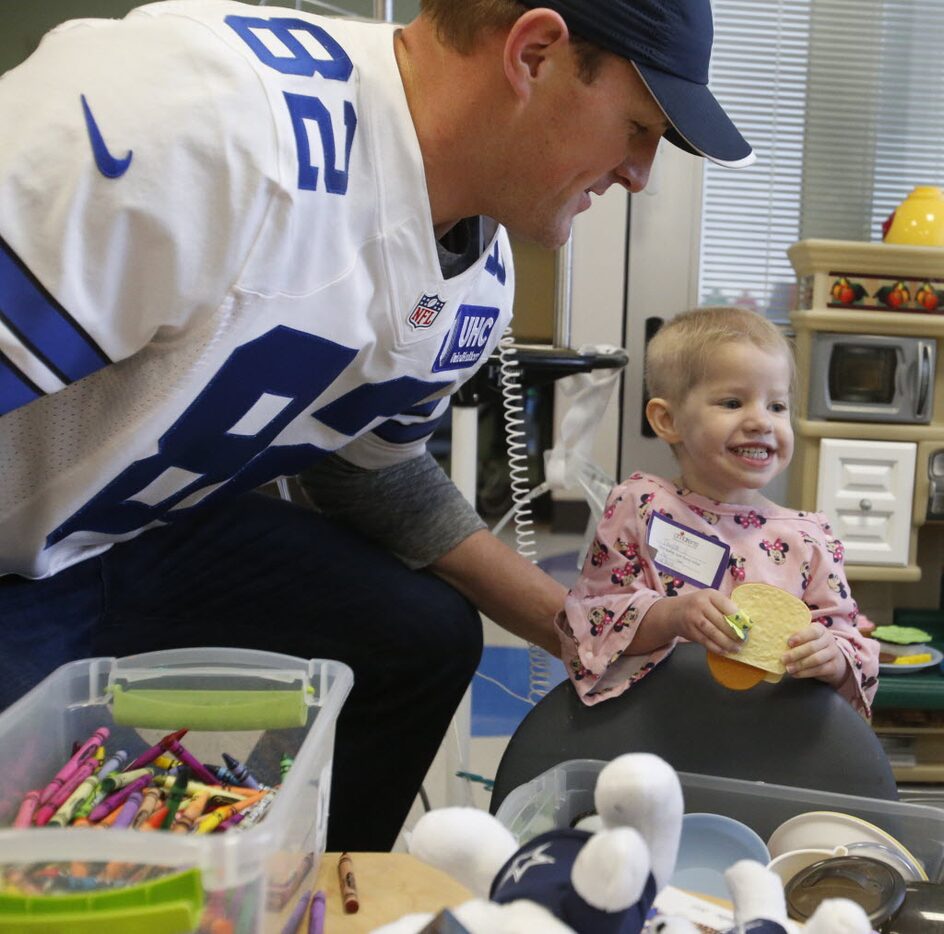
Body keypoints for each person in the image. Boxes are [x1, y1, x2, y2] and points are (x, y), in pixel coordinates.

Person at [0, 0, 753, 849]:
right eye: (639, 128)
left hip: (122, 529)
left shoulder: (482, 271)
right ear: (535, 53)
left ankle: (323, 889)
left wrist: (587, 626)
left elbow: (362, 467)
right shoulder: (189, 122)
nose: (640, 175)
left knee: (417, 634)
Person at [558, 306, 879, 718]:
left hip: (772, 738)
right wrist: (670, 615)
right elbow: (591, 622)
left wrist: (831, 657)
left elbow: (852, 646)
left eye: (777, 406)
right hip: (654, 728)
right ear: (667, 420)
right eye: (733, 402)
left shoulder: (809, 540)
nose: (761, 421)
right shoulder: (640, 508)